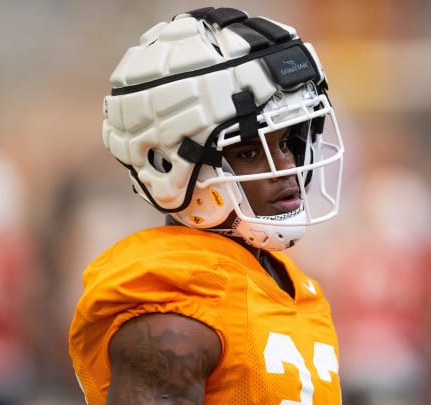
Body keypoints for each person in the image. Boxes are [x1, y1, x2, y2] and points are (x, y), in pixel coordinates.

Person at [69, 6, 345, 404]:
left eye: (285, 143)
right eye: (250, 152)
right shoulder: (176, 305)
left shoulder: (282, 281)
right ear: (167, 166)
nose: (285, 168)